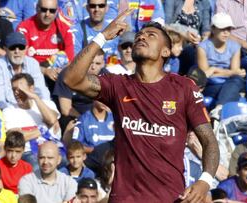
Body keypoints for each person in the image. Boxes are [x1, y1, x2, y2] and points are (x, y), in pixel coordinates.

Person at [64, 9, 219, 202]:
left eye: (151, 35)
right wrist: (102, 36)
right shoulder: (118, 85)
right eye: (139, 35)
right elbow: (71, 79)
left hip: (169, 198)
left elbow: (209, 141)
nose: (142, 37)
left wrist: (205, 181)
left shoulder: (184, 88)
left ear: (165, 51)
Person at [2, 73, 61, 171]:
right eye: (14, 89)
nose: (16, 92)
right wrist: (44, 129)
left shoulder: (47, 104)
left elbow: (51, 120)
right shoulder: (9, 111)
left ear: (31, 88)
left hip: (53, 149)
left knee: (67, 164)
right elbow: (16, 139)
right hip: (29, 152)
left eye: (20, 89)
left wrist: (35, 98)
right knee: (38, 167)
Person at [17, 0, 74, 91]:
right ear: (37, 8)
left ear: (57, 11)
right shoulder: (24, 27)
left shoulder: (64, 29)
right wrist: (45, 71)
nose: (47, 14)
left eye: (52, 11)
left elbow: (70, 60)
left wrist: (61, 71)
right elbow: (22, 62)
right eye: (44, 10)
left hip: (57, 76)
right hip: (32, 75)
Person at [197, 13, 245, 114]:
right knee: (233, 90)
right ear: (213, 29)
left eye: (229, 29)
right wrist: (231, 73)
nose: (226, 33)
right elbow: (205, 75)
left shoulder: (235, 47)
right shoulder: (202, 47)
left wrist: (214, 69)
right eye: (222, 29)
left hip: (230, 82)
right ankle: (221, 111)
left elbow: (235, 73)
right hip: (211, 85)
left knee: (236, 81)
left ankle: (219, 109)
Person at [0, 31, 51, 110]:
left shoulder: (33, 63)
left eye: (21, 47)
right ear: (5, 49)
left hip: (33, 108)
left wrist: (46, 108)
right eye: (12, 48)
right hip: (9, 110)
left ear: (26, 48)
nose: (17, 51)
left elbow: (41, 90)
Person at [54, 50, 106, 132]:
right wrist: (86, 120)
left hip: (99, 117)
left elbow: (110, 106)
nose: (93, 67)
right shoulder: (68, 74)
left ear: (103, 64)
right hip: (73, 117)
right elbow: (66, 109)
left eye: (97, 64)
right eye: (90, 62)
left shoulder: (107, 77)